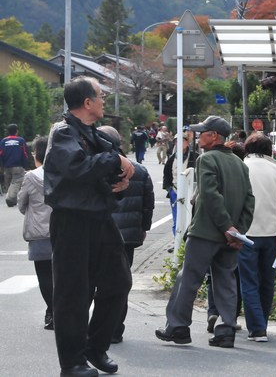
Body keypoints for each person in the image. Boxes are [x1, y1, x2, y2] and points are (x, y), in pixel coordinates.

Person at [44, 76, 135, 377]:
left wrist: (117, 181)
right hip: (72, 219)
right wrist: (115, 161)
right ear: (87, 102)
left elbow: (100, 171)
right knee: (73, 293)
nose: (104, 100)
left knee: (119, 281)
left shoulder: (91, 132)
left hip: (99, 216)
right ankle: (71, 363)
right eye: (100, 95)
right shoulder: (63, 132)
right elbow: (76, 168)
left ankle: (95, 346)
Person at [155, 115, 254, 349]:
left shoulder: (206, 159)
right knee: (225, 280)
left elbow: (209, 195)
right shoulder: (240, 164)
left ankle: (178, 327)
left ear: (214, 136)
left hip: (206, 231)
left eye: (203, 132)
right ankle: (226, 329)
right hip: (231, 236)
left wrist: (225, 226)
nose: (198, 136)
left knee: (188, 277)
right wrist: (238, 230)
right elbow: (250, 200)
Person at [98, 125, 155, 344]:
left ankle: (97, 328)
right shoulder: (139, 169)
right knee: (121, 283)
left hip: (101, 235)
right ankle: (115, 329)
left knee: (97, 282)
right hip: (128, 237)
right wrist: (143, 229)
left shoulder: (97, 169)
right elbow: (147, 204)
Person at [237, 133, 276, 342]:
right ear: (269, 150)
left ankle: (257, 328)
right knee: (267, 282)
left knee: (249, 281)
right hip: (272, 234)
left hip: (246, 233)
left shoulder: (242, 167)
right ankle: (263, 325)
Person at [17, 135, 53, 330]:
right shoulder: (63, 173)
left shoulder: (30, 177)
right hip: (63, 231)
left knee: (45, 275)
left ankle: (53, 311)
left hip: (39, 233)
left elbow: (22, 205)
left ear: (36, 153)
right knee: (62, 276)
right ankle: (58, 312)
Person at [163, 130, 197, 238]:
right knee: (177, 219)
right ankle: (177, 242)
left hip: (191, 192)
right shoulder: (172, 159)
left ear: (187, 143)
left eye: (182, 141)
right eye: (177, 141)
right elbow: (166, 175)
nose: (180, 143)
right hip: (175, 190)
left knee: (190, 218)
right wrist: (170, 189)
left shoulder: (195, 157)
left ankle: (187, 243)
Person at [1, 122, 29, 207]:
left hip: (6, 166)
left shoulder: (3, 141)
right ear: (17, 131)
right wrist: (25, 164)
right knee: (16, 182)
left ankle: (12, 200)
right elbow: (24, 153)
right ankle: (10, 198)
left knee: (9, 183)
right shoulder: (20, 140)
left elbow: (1, 153)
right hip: (18, 166)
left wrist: (1, 165)